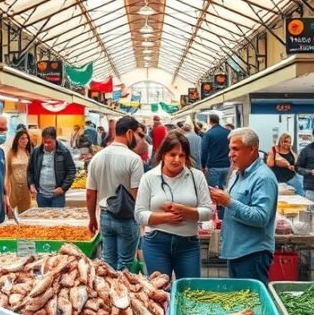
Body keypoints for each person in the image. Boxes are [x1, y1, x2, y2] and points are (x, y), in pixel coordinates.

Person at [135, 132, 213, 279]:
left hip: (188, 244)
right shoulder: (149, 178)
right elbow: (139, 215)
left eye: (182, 155)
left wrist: (186, 211)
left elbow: (207, 211)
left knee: (191, 290)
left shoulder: (196, 176)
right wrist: (165, 218)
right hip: (156, 243)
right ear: (163, 154)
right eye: (172, 154)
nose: (177, 159)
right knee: (160, 292)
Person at [209, 128, 278, 285]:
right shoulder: (237, 174)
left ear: (252, 149)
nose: (230, 154)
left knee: (251, 304)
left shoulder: (263, 178)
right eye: (230, 149)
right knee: (240, 303)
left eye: (235, 149)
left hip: (252, 254)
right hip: (236, 252)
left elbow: (261, 217)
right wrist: (220, 200)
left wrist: (229, 202)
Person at [87, 116, 145, 270]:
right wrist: (143, 219)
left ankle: (109, 291)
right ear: (129, 133)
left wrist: (92, 218)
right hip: (126, 217)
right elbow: (136, 193)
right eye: (138, 134)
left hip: (105, 217)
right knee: (125, 265)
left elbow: (90, 193)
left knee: (107, 263)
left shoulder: (97, 158)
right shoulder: (134, 159)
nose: (139, 139)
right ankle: (122, 293)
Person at [28, 127, 77, 208]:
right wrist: (31, 184)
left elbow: (71, 170)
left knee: (57, 219)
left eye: (49, 142)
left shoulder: (64, 151)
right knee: (43, 218)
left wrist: (63, 188)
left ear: (55, 139)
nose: (46, 145)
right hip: (41, 195)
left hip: (57, 195)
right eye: (44, 142)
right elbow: (30, 170)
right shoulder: (37, 152)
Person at [200, 113, 231, 191]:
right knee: (225, 190)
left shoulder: (208, 134)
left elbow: (204, 151)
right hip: (227, 165)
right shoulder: (228, 132)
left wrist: (203, 165)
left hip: (214, 167)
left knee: (213, 191)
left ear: (209, 121)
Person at [5, 129, 33, 215]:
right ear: (17, 140)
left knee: (25, 214)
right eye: (21, 138)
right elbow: (7, 172)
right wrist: (6, 189)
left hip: (26, 188)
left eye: (26, 138)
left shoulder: (29, 153)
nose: (24, 141)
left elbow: (32, 171)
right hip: (13, 187)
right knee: (10, 213)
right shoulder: (11, 153)